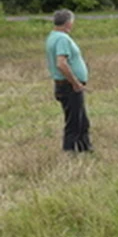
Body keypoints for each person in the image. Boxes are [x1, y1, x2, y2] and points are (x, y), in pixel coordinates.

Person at [45, 8, 92, 152]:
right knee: (74, 122)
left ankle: (85, 148)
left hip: (66, 85)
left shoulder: (53, 36)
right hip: (69, 86)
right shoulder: (62, 39)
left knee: (82, 121)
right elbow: (61, 63)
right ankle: (69, 152)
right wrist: (75, 83)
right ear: (68, 23)